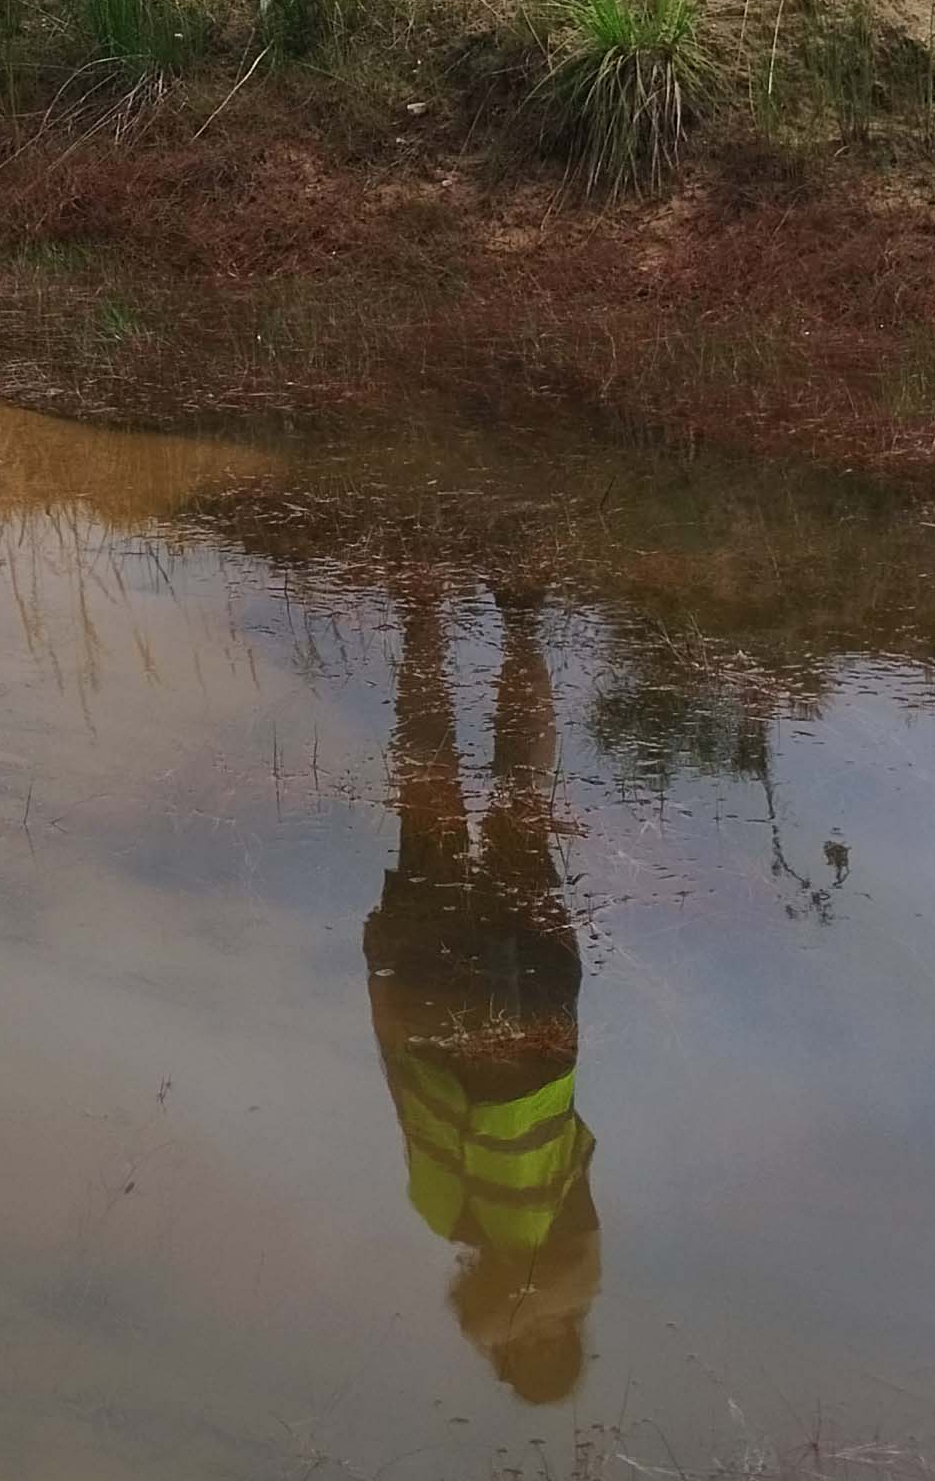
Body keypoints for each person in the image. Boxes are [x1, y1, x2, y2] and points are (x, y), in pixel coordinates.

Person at [361, 577, 602, 1404]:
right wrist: (381, 966)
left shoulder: (565, 1241)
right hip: (446, 1002)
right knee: (436, 800)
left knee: (516, 810)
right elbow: (401, 1074)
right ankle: (430, 615)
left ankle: (506, 619)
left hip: (533, 1008)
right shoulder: (468, 1225)